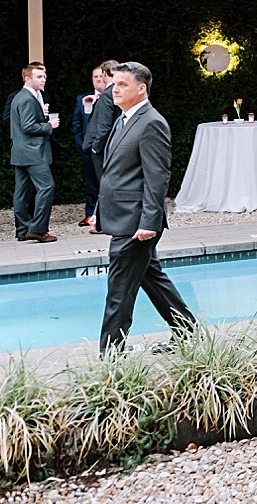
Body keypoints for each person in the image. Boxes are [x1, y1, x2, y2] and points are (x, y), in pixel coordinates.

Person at [94, 61, 196, 353]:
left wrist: (149, 223)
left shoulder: (152, 122)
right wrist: (99, 214)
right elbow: (118, 173)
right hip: (123, 218)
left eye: (122, 84)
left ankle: (110, 356)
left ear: (141, 89)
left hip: (136, 223)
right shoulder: (124, 118)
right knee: (153, 280)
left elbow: (157, 177)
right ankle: (189, 334)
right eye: (114, 84)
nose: (115, 89)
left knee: (119, 292)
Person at [9, 61, 59, 243]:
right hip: (33, 151)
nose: (44, 79)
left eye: (44, 76)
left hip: (21, 151)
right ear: (27, 78)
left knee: (21, 192)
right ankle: (38, 229)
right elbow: (29, 126)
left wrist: (43, 116)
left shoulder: (22, 97)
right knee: (47, 187)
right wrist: (49, 125)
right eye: (39, 76)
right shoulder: (27, 98)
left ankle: (23, 230)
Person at [80, 59, 121, 230]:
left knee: (105, 186)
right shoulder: (120, 92)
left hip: (102, 149)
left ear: (105, 74)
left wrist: (96, 147)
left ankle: (103, 223)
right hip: (115, 146)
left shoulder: (106, 95)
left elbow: (103, 126)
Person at [73, 61, 113, 228]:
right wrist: (83, 145)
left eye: (100, 76)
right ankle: (90, 214)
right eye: (94, 76)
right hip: (88, 148)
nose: (98, 79)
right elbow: (77, 124)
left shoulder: (113, 97)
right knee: (91, 183)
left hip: (104, 148)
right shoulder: (83, 98)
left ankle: (104, 217)